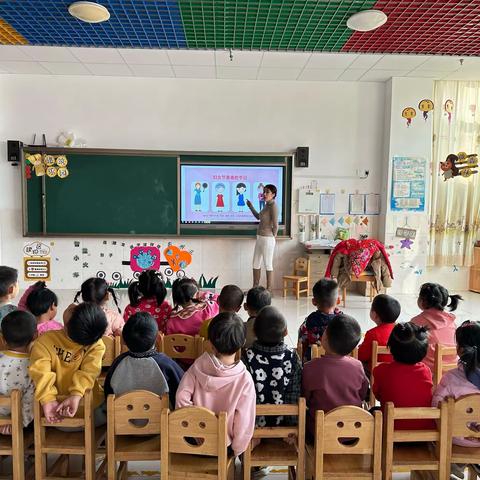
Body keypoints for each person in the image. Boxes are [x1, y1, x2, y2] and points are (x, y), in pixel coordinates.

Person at [176, 312, 256, 457]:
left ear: (210, 343)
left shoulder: (197, 367)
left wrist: (192, 431)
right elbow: (244, 421)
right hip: (223, 446)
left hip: (192, 442)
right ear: (242, 343)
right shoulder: (245, 379)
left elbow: (181, 397)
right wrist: (237, 449)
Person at [29, 302, 108, 425]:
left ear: (66, 327)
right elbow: (89, 373)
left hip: (53, 415)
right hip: (92, 415)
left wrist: (48, 400)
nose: (73, 304)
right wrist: (76, 395)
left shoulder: (44, 341)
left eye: (74, 309)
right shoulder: (97, 345)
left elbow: (41, 373)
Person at [302, 313, 368, 438]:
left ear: (324, 339)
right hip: (353, 432)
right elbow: (362, 394)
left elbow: (305, 398)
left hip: (320, 432)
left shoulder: (310, 367)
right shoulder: (358, 366)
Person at [104, 312, 184, 406]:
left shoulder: (117, 363)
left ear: (124, 341)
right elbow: (181, 391)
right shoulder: (167, 364)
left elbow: (108, 393)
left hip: (121, 418)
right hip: (161, 419)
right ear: (158, 338)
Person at [243, 306, 301, 427]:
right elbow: (294, 394)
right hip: (285, 424)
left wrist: (253, 426)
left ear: (254, 332)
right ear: (285, 332)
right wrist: (292, 428)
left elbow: (247, 396)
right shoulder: (292, 357)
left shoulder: (247, 356)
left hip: (254, 424)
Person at [373, 322, 434, 430]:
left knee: (373, 412)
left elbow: (378, 395)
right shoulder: (426, 371)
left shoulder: (381, 370)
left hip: (391, 429)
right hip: (423, 429)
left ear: (391, 348)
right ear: (423, 351)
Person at [432, 320, 480, 446]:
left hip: (457, 439)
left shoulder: (450, 378)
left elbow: (436, 409)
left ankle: (455, 465)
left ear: (460, 350)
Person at [410, 282, 463, 372]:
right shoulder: (452, 322)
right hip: (452, 370)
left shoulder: (416, 322)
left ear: (423, 301)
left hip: (428, 372)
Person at [0, 311, 37, 433]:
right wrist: (19, 424)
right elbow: (29, 402)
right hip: (15, 424)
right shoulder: (33, 366)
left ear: (3, 339)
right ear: (35, 336)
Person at [297, 278, 341, 363]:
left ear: (314, 302)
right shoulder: (344, 322)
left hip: (313, 366)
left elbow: (301, 346)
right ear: (338, 300)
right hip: (339, 365)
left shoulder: (308, 323)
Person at [246, 184, 278, 292]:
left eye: (267, 192)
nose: (264, 194)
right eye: (264, 191)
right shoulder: (266, 205)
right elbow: (258, 217)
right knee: (255, 262)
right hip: (260, 237)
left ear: (273, 194)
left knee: (268, 264)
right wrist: (250, 206)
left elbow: (275, 224)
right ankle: (255, 288)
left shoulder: (273, 206)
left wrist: (273, 235)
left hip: (267, 239)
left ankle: (269, 290)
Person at [358, 294, 401, 374]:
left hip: (377, 373)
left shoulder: (373, 334)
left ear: (375, 315)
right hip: (397, 372)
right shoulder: (401, 330)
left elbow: (361, 356)